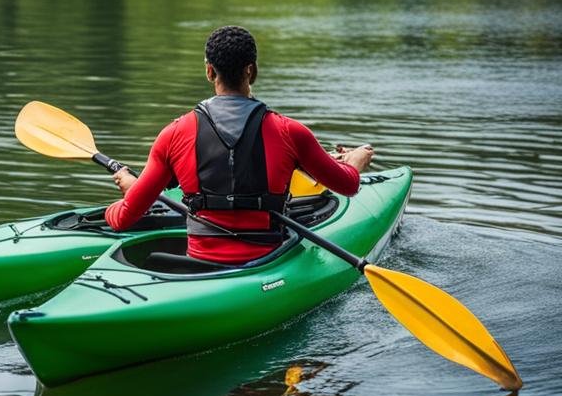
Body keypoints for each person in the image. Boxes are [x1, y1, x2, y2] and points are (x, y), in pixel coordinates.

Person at [105, 25, 374, 264]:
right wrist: (355, 162)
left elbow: (123, 219)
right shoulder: (290, 132)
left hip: (200, 263)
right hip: (266, 259)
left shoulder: (173, 134)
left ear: (209, 71)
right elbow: (348, 185)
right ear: (252, 70)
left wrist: (125, 199)